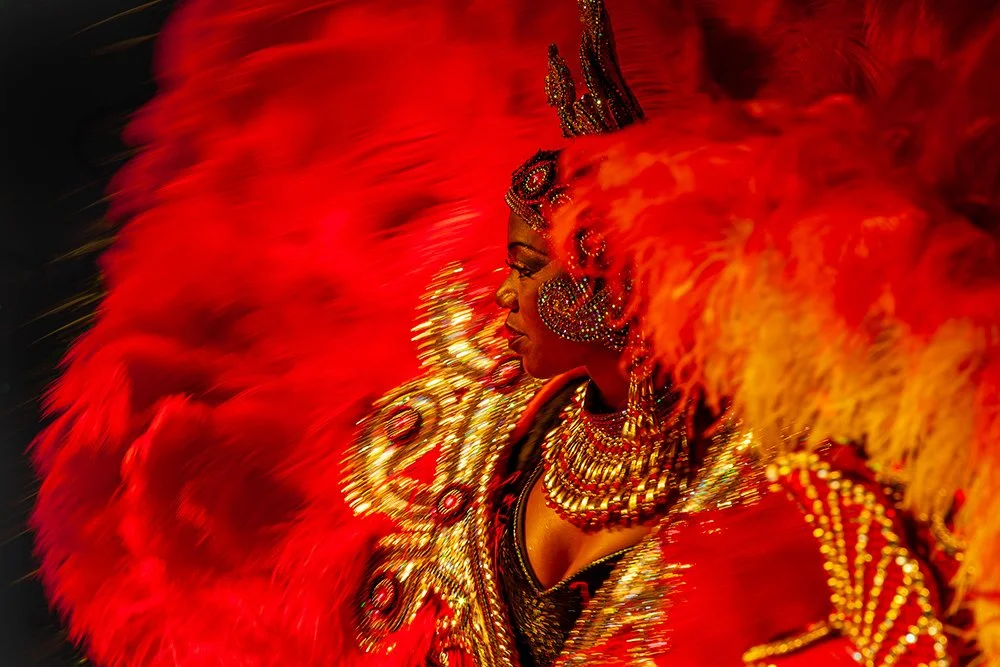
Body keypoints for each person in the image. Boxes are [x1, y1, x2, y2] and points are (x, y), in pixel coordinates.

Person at [29, 0, 1000, 665]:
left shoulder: (810, 501)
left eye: (532, 270)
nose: (503, 293)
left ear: (615, 296)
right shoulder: (455, 421)